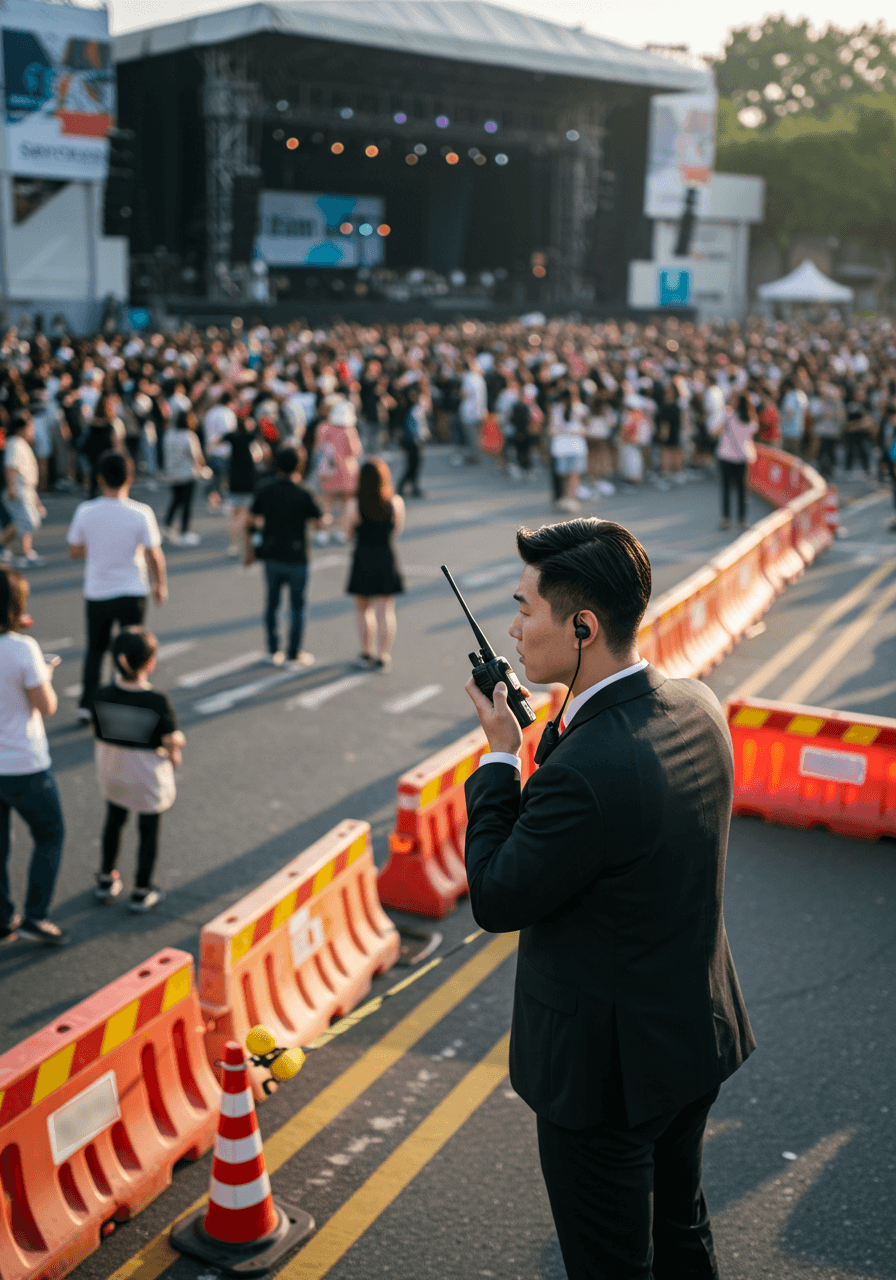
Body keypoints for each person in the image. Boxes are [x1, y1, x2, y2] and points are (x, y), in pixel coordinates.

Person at [461, 517, 754, 1280]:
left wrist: (500, 758)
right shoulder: (698, 706)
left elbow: (496, 894)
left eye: (526, 609)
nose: (513, 630)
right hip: (693, 1036)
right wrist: (549, 733)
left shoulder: (587, 768)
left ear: (583, 626)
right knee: (682, 1231)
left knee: (612, 1264)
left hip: (605, 1077)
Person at [67, 451, 167, 722]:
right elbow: (154, 554)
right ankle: (125, 701)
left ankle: (86, 704)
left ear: (99, 478)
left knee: (95, 649)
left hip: (98, 591)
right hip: (133, 590)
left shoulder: (86, 511)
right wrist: (160, 584)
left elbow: (74, 551)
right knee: (131, 649)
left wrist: (96, 547)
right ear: (130, 478)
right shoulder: (141, 512)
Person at [92, 628, 184, 913]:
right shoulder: (156, 701)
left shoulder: (102, 694)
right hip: (145, 779)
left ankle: (106, 878)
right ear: (150, 663)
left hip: (113, 772)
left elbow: (97, 730)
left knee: (114, 822)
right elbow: (170, 740)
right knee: (148, 832)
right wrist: (176, 749)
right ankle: (141, 890)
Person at [0, 567, 67, 946]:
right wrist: (46, 674)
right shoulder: (22, 649)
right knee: (50, 835)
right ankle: (35, 916)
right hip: (24, 765)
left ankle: (2, 917)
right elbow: (46, 706)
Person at [247, 445, 323, 669]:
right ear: (299, 466)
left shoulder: (266, 489)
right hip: (297, 556)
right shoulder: (304, 492)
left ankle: (273, 650)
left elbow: (250, 520)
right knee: (297, 607)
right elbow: (318, 523)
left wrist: (250, 548)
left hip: (271, 555)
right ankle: (293, 653)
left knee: (272, 604)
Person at [343, 458, 405, 671]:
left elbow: (347, 533)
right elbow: (396, 530)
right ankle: (383, 655)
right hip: (386, 557)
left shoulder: (354, 504)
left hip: (363, 558)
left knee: (363, 610)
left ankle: (366, 652)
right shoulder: (395, 503)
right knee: (385, 611)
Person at [313, 398, 362, 544]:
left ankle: (324, 531)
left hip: (329, 471)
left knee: (327, 504)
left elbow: (317, 449)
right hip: (348, 471)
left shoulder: (323, 428)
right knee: (346, 504)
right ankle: (342, 531)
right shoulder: (350, 430)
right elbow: (355, 451)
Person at [4, 414, 45, 566]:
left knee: (22, 522)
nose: (32, 431)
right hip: (18, 488)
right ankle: (23, 552)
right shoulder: (14, 443)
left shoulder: (21, 443)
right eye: (30, 427)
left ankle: (22, 551)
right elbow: (10, 467)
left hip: (27, 489)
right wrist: (11, 487)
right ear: (21, 429)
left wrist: (36, 499)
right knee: (27, 521)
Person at [712, 392, 758, 531]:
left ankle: (726, 519)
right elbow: (752, 432)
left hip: (726, 456)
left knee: (726, 488)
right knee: (742, 490)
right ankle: (742, 519)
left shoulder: (728, 416)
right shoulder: (751, 420)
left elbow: (715, 432)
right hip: (742, 457)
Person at [162, 410, 205, 545]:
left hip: (172, 474)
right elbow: (196, 456)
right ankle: (184, 532)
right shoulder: (189, 436)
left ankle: (166, 526)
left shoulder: (169, 435)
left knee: (176, 500)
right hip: (187, 474)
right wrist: (202, 467)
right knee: (187, 504)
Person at [224, 415, 260, 555]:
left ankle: (233, 545)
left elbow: (216, 442)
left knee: (234, 515)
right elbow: (258, 457)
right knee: (247, 515)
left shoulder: (232, 437)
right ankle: (249, 544)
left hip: (234, 481)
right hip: (248, 482)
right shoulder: (251, 439)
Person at [397, 383, 428, 498]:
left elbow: (421, 424)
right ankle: (410, 487)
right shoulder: (409, 408)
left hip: (415, 440)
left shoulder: (416, 407)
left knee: (414, 465)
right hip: (412, 441)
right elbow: (412, 426)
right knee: (413, 465)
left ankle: (407, 486)